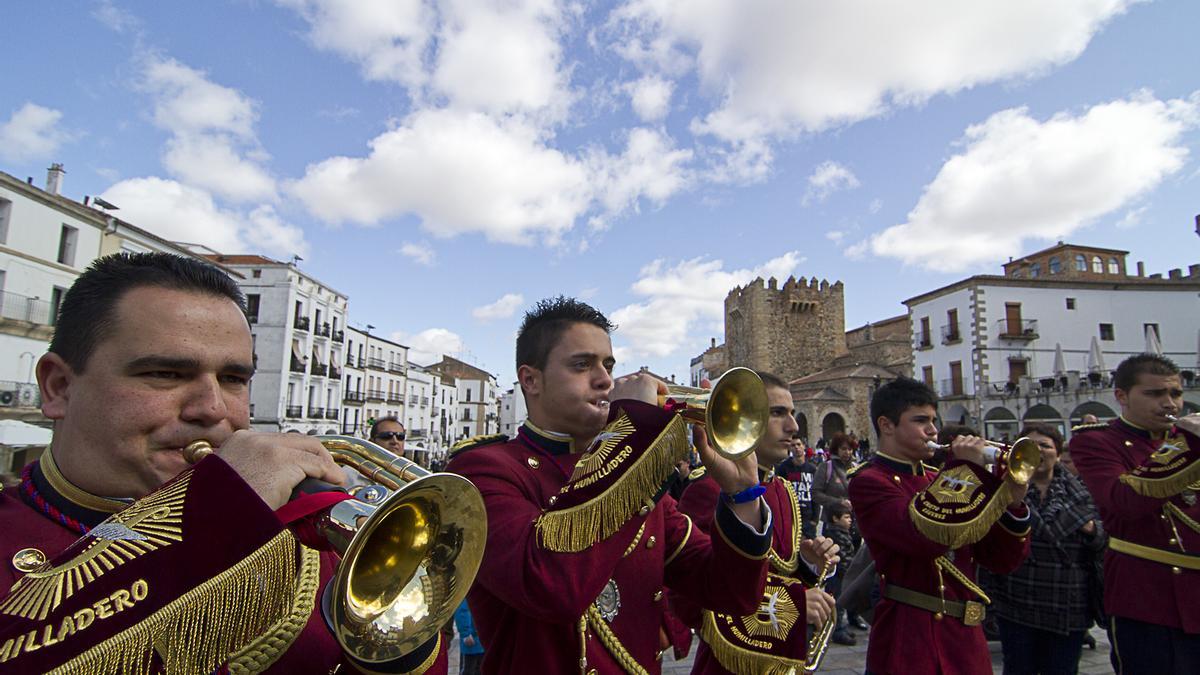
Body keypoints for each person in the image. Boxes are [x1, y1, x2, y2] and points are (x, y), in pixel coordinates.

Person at [0, 253, 445, 674]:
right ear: (58, 387)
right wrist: (212, 513)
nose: (212, 409)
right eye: (165, 374)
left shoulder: (297, 541)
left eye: (233, 379)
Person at [445, 297, 775, 674]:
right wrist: (632, 431)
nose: (605, 379)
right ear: (530, 380)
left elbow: (732, 592)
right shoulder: (482, 470)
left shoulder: (636, 481)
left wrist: (743, 495)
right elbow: (554, 588)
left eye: (608, 364)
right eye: (582, 365)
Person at [848, 378, 1031, 675]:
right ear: (887, 425)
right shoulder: (870, 481)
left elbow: (1001, 558)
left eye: (933, 420)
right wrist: (964, 470)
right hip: (912, 636)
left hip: (965, 641)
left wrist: (1012, 502)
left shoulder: (939, 478)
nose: (933, 430)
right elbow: (924, 537)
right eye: (920, 421)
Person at [672, 371, 839, 673]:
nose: (794, 426)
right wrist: (795, 604)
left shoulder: (782, 489)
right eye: (777, 413)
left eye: (791, 413)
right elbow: (689, 597)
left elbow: (776, 569)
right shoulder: (708, 490)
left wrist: (808, 564)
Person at [1071, 354, 1200, 674]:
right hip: (1147, 597)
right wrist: (1187, 447)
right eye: (1154, 394)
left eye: (1175, 394)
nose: (1169, 404)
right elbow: (1122, 501)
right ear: (1121, 396)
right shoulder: (1096, 441)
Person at [982, 423, 1106, 675]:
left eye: (1045, 445)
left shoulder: (1084, 492)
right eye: (1030, 445)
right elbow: (989, 546)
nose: (1038, 450)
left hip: (1068, 604)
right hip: (1017, 601)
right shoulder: (1001, 491)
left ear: (1058, 454)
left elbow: (1107, 540)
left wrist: (1093, 530)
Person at [825, 502, 858, 645]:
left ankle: (840, 626)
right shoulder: (835, 535)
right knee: (836, 604)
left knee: (841, 603)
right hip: (838, 576)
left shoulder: (844, 533)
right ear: (835, 519)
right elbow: (843, 559)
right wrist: (849, 572)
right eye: (846, 517)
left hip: (843, 575)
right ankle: (836, 630)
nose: (850, 520)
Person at [454, 600, 484, 675]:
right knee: (468, 669)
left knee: (480, 668)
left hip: (482, 639)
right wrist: (466, 633)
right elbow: (461, 610)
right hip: (471, 639)